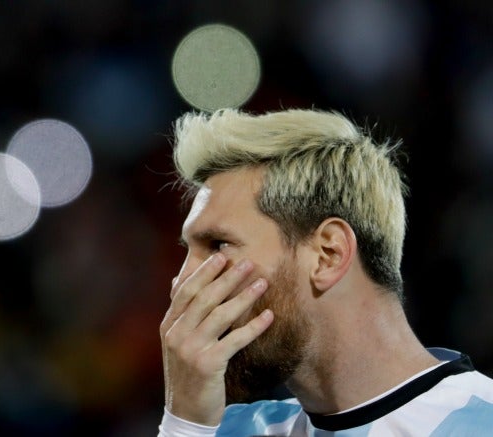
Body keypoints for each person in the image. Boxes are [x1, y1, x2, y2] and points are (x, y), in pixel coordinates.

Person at [157, 108, 493, 436]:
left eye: (218, 245)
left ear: (328, 255)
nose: (182, 283)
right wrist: (183, 427)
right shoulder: (218, 429)